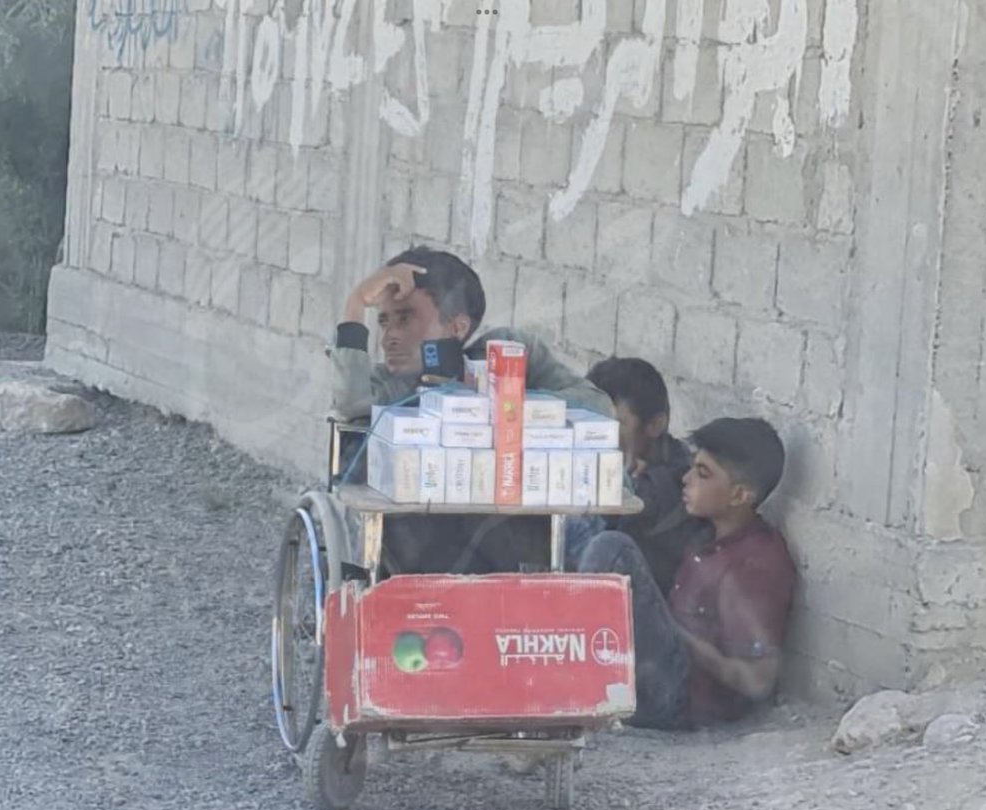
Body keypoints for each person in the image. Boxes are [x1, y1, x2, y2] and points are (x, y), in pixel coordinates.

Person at [329, 245, 614, 574]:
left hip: (517, 531)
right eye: (383, 322)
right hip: (427, 553)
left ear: (457, 328)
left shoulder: (507, 354)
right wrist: (355, 303)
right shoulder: (387, 385)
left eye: (405, 319)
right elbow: (350, 403)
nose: (389, 337)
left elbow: (599, 409)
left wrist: (500, 406)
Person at [575, 417, 796, 730]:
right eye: (692, 467)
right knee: (579, 529)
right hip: (663, 667)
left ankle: (565, 686)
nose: (687, 478)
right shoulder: (711, 529)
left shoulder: (756, 564)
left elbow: (757, 680)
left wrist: (676, 634)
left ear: (739, 495)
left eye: (702, 474)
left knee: (612, 547)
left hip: (680, 698)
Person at [577, 357, 712, 596]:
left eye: (614, 423)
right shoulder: (617, 463)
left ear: (655, 425)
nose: (599, 433)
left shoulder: (675, 481)